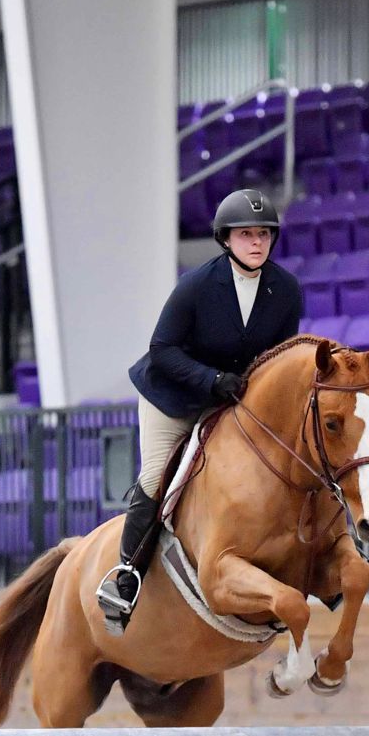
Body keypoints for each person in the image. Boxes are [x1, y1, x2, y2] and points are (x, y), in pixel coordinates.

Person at [96, 188, 304, 632]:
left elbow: (282, 357)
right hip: (173, 395)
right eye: (245, 234)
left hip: (233, 399)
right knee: (156, 476)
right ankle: (126, 576)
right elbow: (162, 349)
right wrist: (211, 380)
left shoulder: (285, 290)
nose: (256, 242)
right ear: (225, 239)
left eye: (264, 234)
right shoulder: (196, 285)